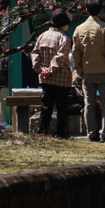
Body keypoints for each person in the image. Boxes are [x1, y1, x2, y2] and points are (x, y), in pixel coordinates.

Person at [71, 0, 105, 143]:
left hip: (87, 72)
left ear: (86, 10)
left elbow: (75, 52)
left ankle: (91, 133)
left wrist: (79, 69)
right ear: (101, 10)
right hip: (104, 71)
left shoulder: (79, 29)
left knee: (89, 104)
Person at [31, 8, 73, 138]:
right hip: (61, 79)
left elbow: (35, 53)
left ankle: (42, 131)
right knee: (62, 108)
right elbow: (61, 56)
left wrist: (40, 69)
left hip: (45, 79)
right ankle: (60, 133)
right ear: (64, 24)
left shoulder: (42, 36)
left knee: (46, 106)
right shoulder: (64, 38)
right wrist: (51, 69)